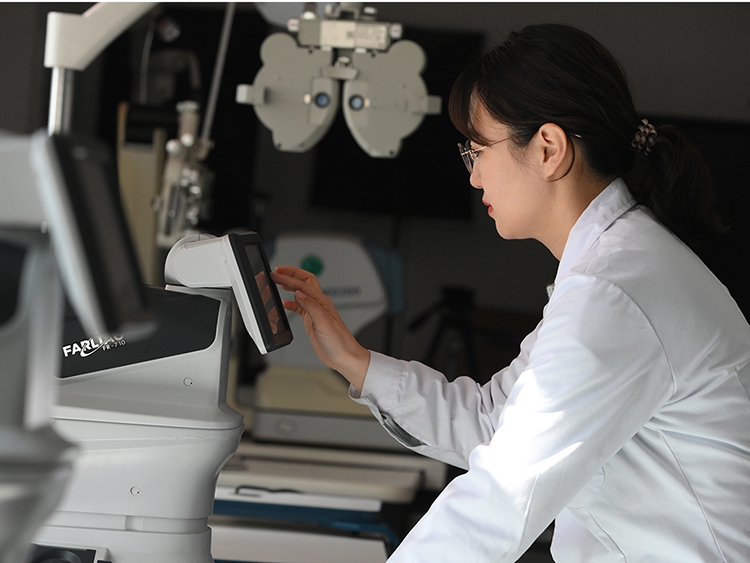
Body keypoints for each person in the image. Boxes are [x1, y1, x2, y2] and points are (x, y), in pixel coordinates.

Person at [271, 23, 750, 562]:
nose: (473, 177)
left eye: (476, 150)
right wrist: (355, 361)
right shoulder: (614, 268)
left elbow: (504, 493)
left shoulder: (614, 290)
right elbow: (493, 422)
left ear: (548, 149)